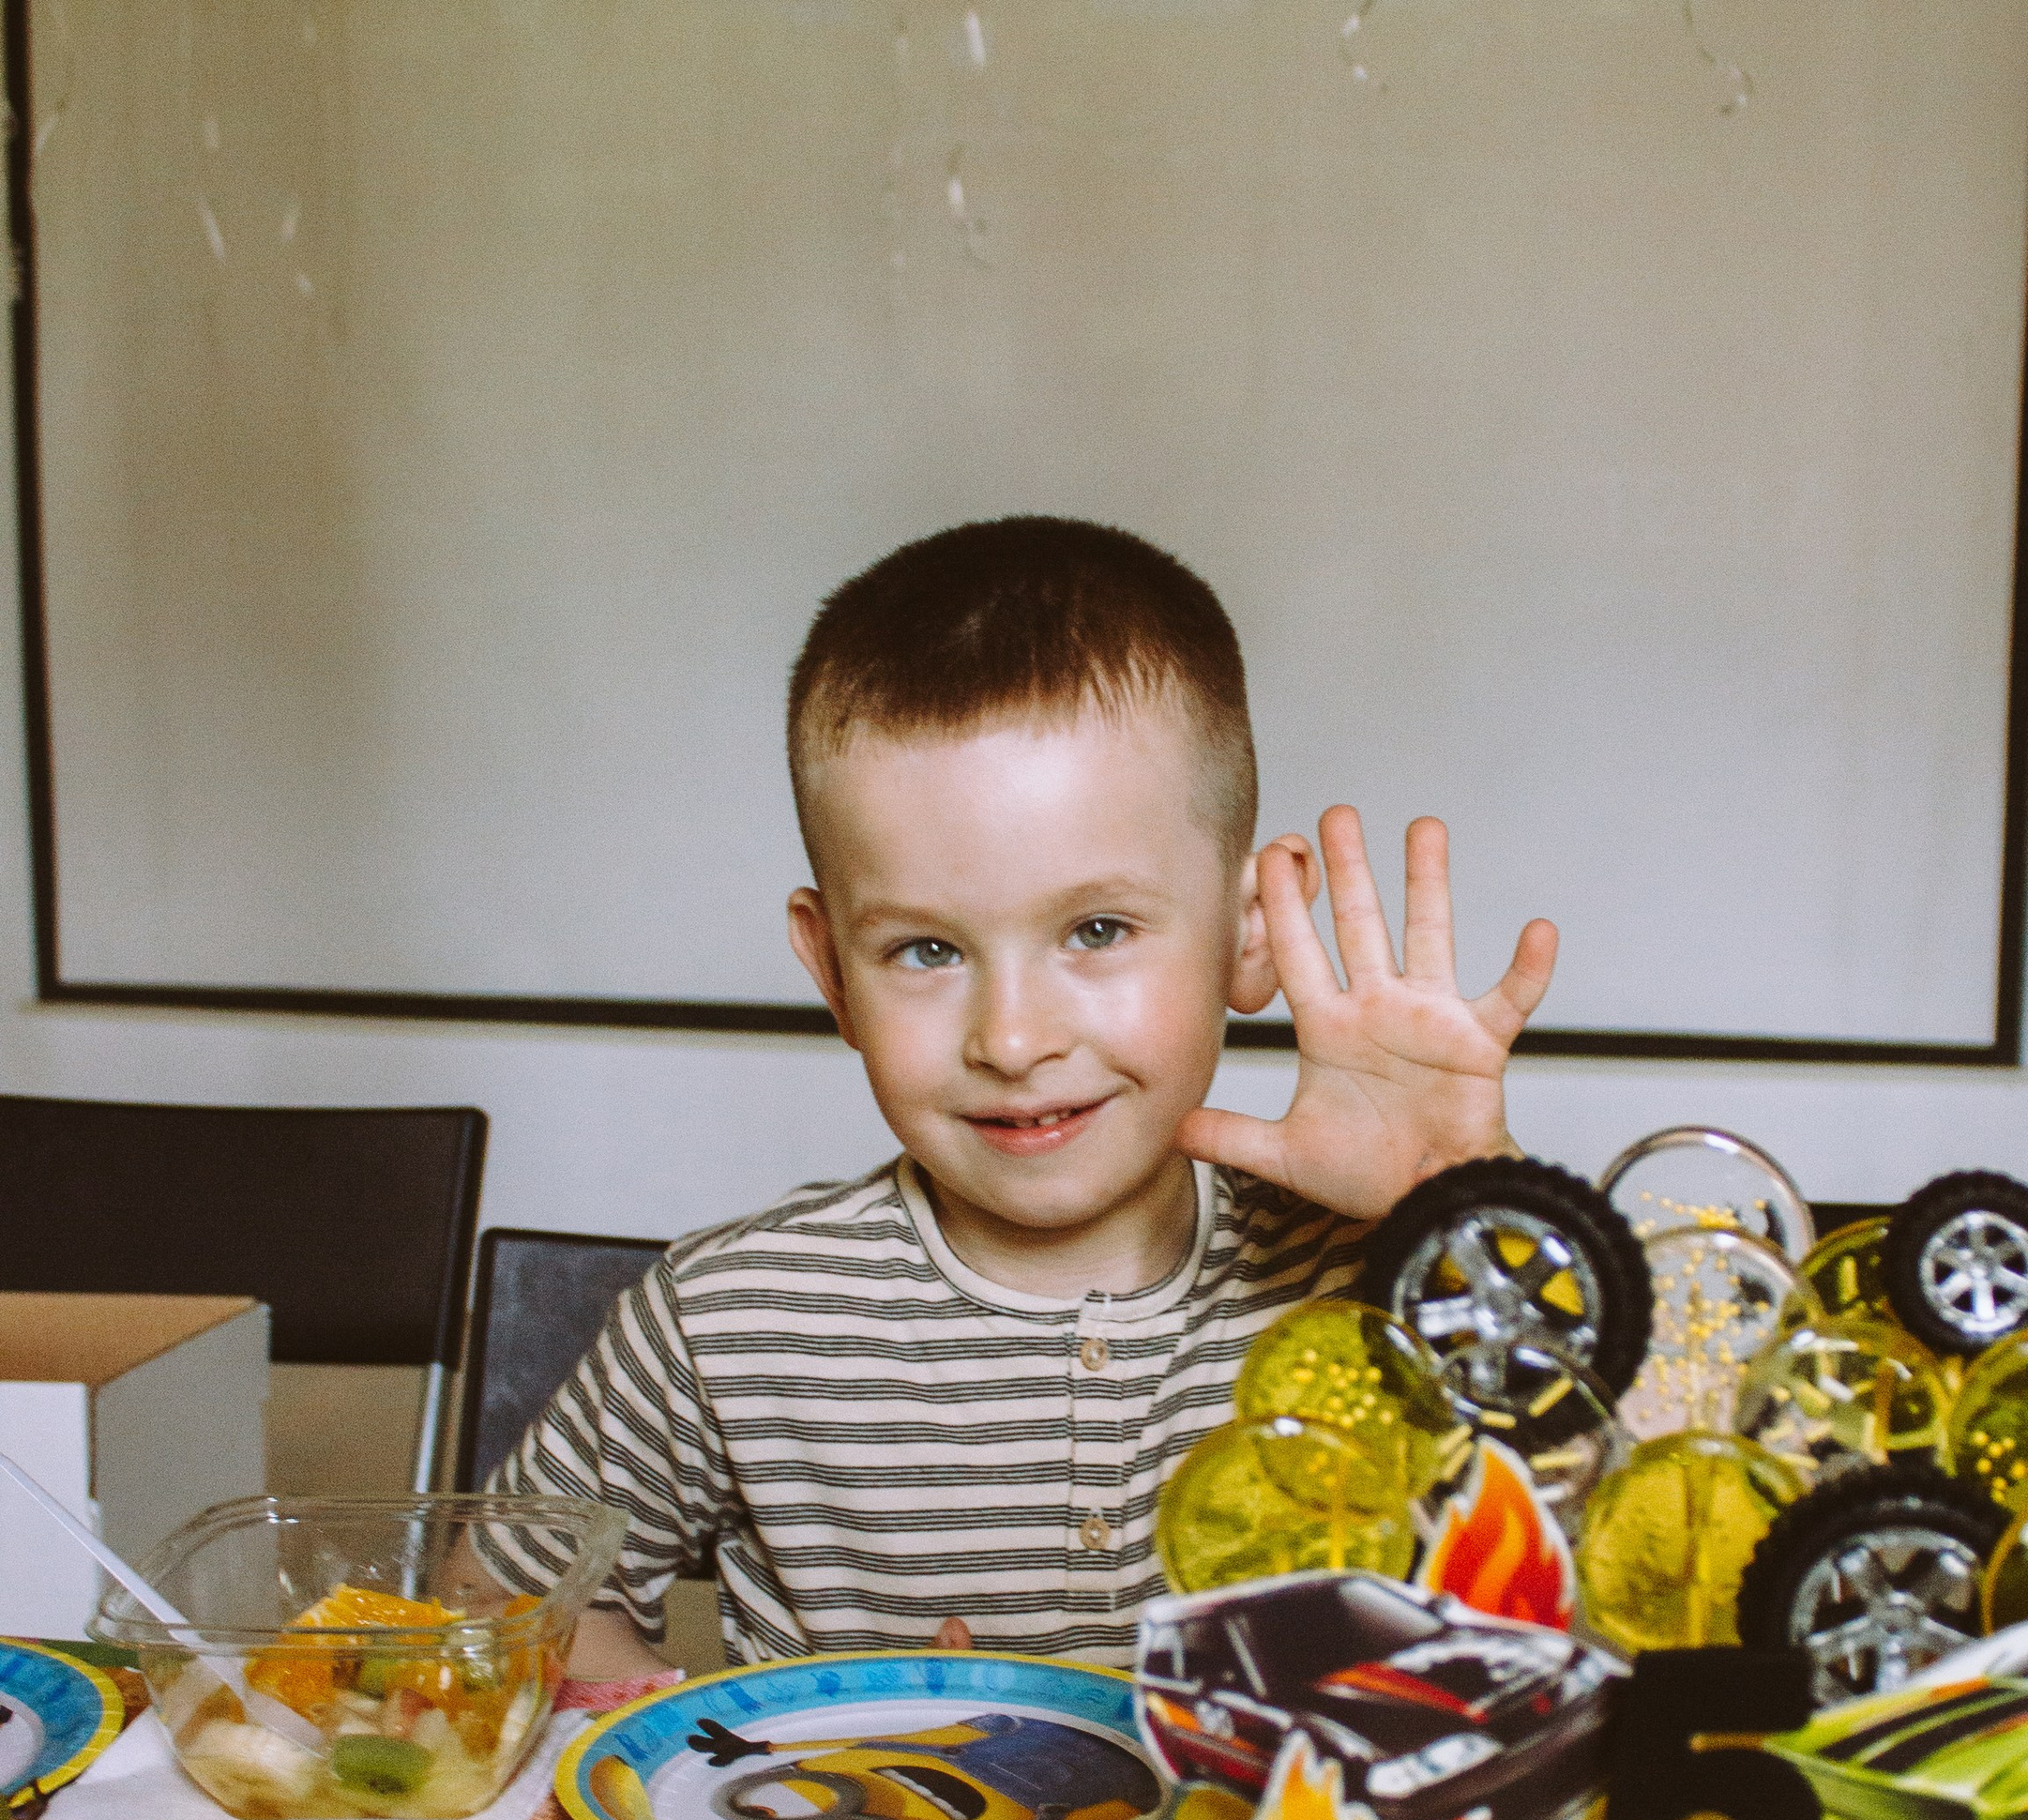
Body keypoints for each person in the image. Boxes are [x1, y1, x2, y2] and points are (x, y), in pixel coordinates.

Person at [494, 515, 1557, 1675]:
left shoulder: (1379, 1281)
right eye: (924, 952)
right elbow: (511, 1600)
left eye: (1096, 930)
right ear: (831, 971)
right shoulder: (728, 1319)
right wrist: (663, 1735)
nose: (1011, 1038)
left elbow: (1627, 1555)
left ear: (1252, 935)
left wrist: (1464, 1209)